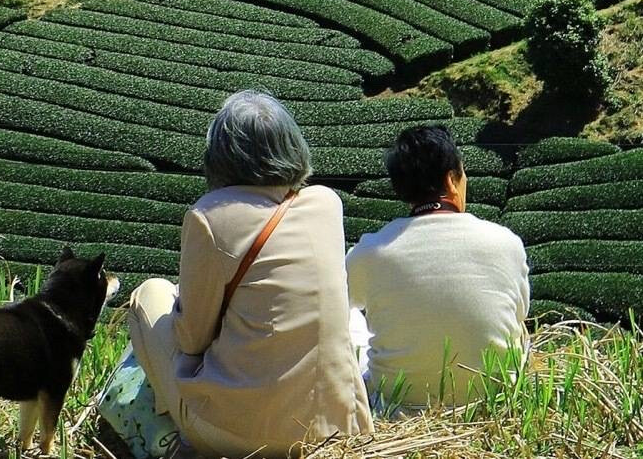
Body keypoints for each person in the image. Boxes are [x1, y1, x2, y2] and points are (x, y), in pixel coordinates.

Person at [128, 91, 373, 458]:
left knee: (149, 295)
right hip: (333, 427)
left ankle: (183, 429)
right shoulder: (327, 203)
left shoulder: (209, 216)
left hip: (243, 435)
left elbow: (192, 338)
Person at [346, 125, 529, 411]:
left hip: (399, 411)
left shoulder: (370, 251)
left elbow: (339, 303)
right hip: (493, 406)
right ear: (452, 180)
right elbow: (517, 319)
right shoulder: (506, 242)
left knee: (348, 318)